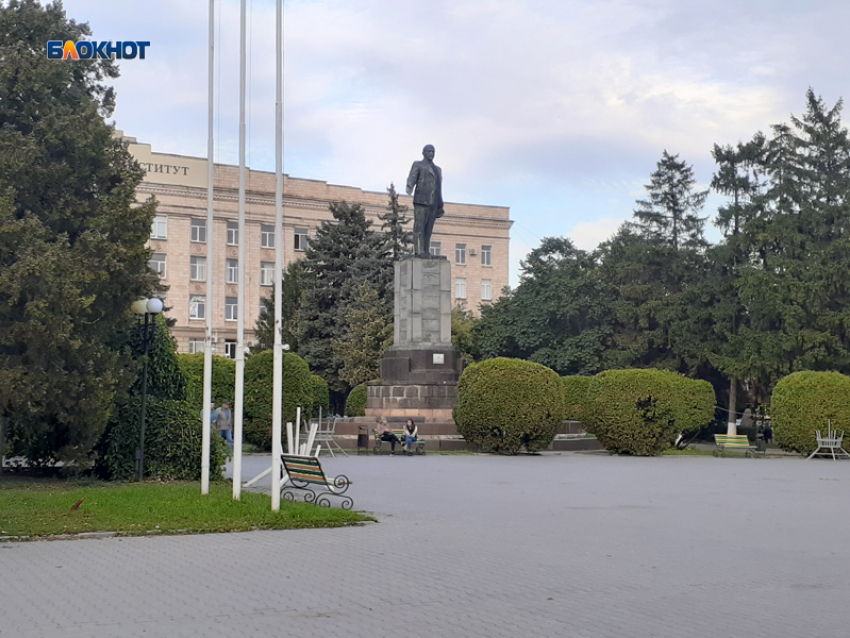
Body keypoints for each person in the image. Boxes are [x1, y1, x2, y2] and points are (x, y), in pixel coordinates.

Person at [406, 144, 444, 256]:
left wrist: (440, 204)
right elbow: (412, 177)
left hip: (434, 202)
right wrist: (409, 185)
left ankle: (426, 250)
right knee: (419, 226)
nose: (431, 154)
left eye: (433, 151)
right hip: (421, 200)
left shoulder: (438, 169)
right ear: (423, 153)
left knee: (429, 228)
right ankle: (419, 250)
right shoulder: (418, 164)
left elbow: (439, 187)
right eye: (429, 151)